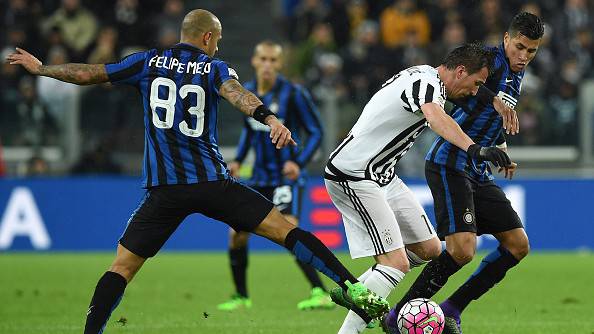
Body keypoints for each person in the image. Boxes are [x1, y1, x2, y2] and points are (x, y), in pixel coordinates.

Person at [7, 9, 390, 334]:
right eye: (217, 39)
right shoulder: (212, 66)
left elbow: (91, 73)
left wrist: (43, 70)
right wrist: (268, 117)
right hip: (212, 183)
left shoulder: (146, 61)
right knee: (287, 231)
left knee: (121, 267)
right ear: (207, 37)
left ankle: (91, 331)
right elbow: (236, 92)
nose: (219, 46)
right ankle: (352, 288)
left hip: (164, 190)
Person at [324, 42, 513, 334]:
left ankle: (359, 288)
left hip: (383, 176)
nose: (476, 91)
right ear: (460, 70)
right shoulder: (425, 84)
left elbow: (458, 101)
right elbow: (436, 116)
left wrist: (496, 102)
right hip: (353, 174)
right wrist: (474, 149)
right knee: (396, 264)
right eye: (476, 84)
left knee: (431, 249)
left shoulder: (429, 79)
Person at [382, 12, 544, 334]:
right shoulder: (491, 60)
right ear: (507, 39)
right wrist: (495, 100)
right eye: (520, 47)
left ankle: (452, 309)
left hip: (478, 169)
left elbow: (490, 120)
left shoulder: (515, 73)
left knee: (517, 245)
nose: (523, 56)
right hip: (450, 163)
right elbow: (469, 85)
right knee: (462, 250)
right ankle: (397, 317)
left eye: (532, 51)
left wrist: (502, 151)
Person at [217, 40, 329, 311]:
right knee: (236, 235)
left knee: (289, 230)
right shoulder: (248, 95)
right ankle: (241, 297)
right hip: (258, 178)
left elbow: (316, 131)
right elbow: (249, 130)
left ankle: (320, 292)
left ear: (280, 64)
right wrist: (239, 160)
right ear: (254, 62)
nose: (267, 65)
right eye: (263, 59)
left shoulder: (293, 93)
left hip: (284, 177)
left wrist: (299, 163)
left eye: (273, 60)